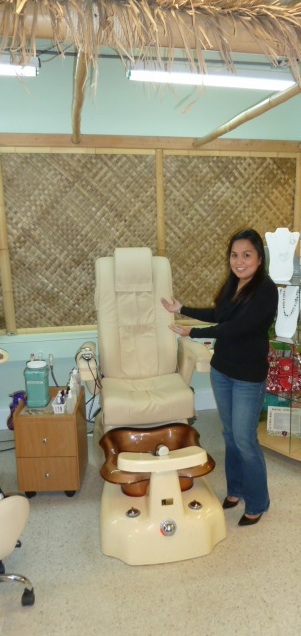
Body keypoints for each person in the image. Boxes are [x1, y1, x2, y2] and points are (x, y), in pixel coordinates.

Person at [161, 228, 278, 527]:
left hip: (248, 377)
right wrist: (181, 309)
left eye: (246, 255)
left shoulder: (265, 290)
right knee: (229, 435)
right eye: (234, 255)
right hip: (222, 369)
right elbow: (219, 315)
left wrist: (193, 333)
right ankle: (236, 490)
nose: (239, 261)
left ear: (259, 258)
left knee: (245, 439)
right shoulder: (234, 285)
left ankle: (258, 501)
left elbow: (238, 327)